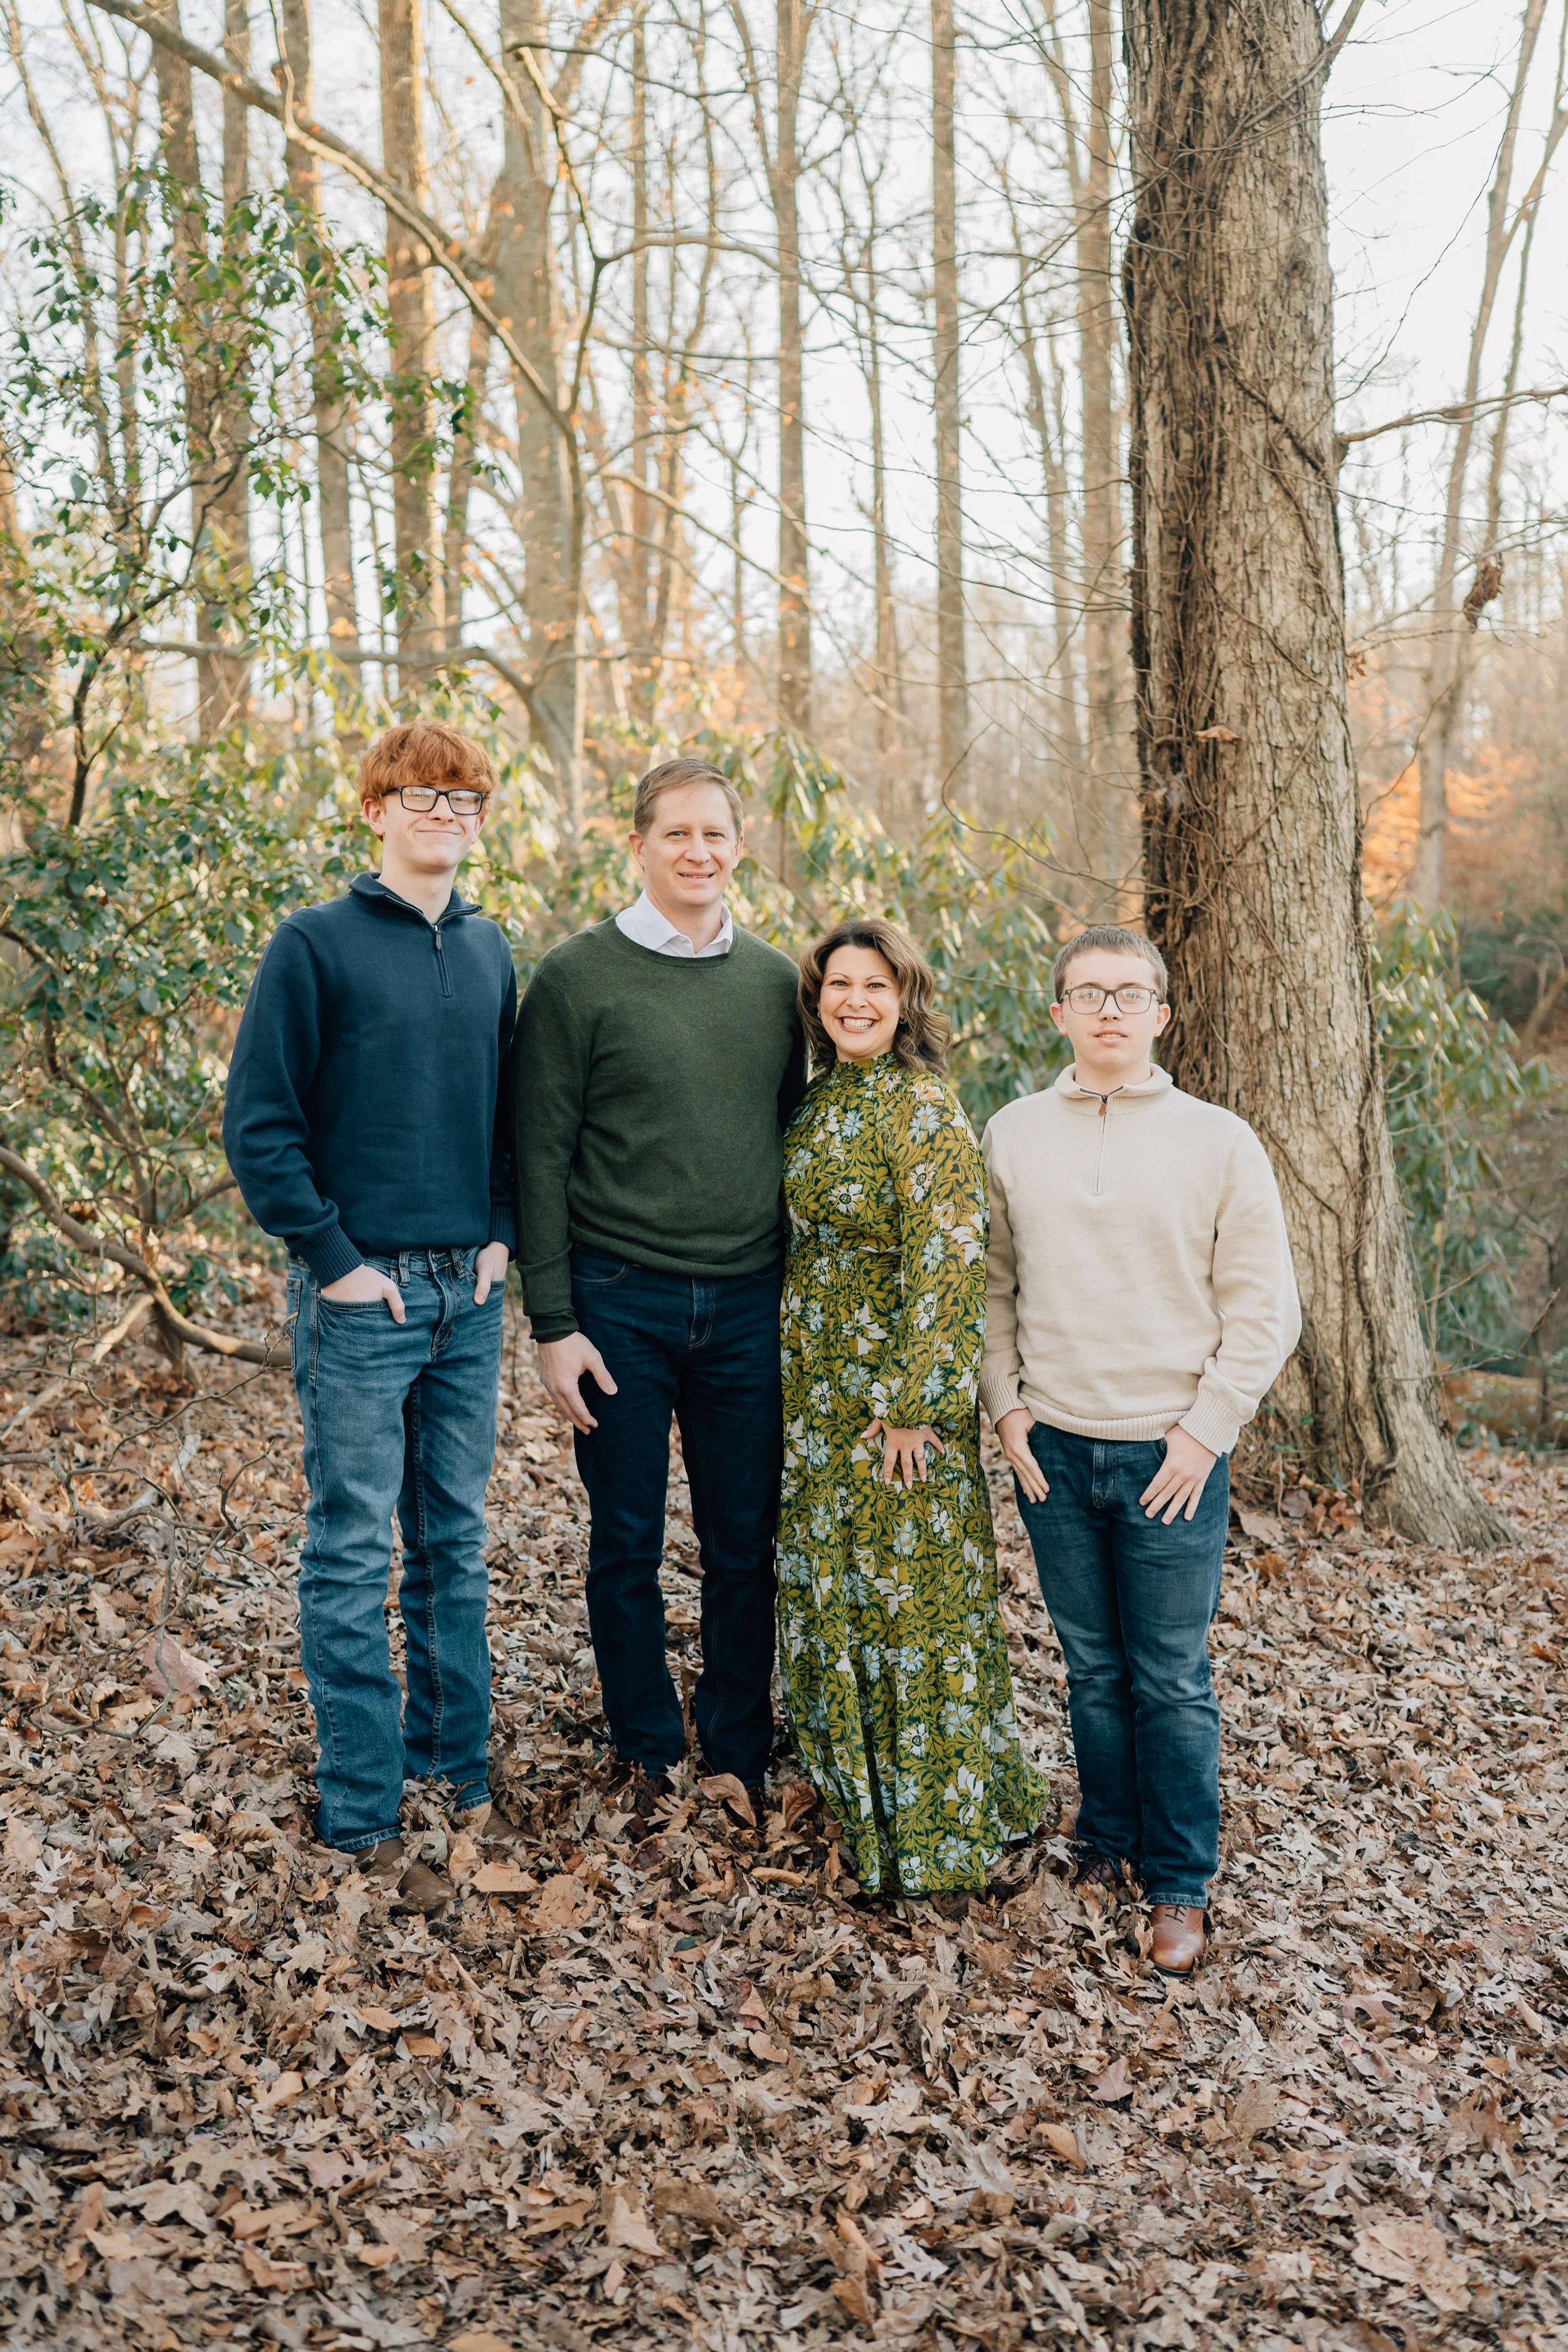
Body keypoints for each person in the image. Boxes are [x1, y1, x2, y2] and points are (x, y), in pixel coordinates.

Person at [223, 721, 517, 1910]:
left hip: (471, 1292)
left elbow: (509, 1118)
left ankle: (455, 1765)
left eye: (465, 797)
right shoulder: (316, 945)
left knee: (451, 1538)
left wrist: (500, 1231)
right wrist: (336, 1260)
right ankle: (359, 1800)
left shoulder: (495, 949)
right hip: (365, 1294)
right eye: (422, 794)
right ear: (378, 809)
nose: (444, 811)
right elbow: (260, 1125)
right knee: (352, 1543)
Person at [982, 924, 1300, 1974]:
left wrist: (1206, 1433)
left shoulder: (1220, 1140)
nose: (1109, 1008)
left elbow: (1266, 1310)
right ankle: (1106, 1836)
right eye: (1088, 991)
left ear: (1161, 1014)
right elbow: (990, 1289)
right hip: (1054, 1450)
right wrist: (1007, 1412)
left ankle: (1177, 1881)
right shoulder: (1014, 1133)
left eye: (1129, 993)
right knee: (1089, 1665)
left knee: (1168, 1673)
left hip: (1171, 1453)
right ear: (1060, 1012)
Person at [513, 758, 805, 1816]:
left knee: (742, 1540)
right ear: (636, 845)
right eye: (674, 833)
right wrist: (554, 1321)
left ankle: (735, 1743)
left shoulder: (778, 982)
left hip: (744, 1307)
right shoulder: (575, 978)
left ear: (739, 846)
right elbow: (536, 1157)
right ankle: (644, 1741)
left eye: (714, 834)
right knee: (625, 1537)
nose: (696, 851)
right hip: (617, 1302)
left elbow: (785, 1129)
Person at [776, 918, 1049, 1897]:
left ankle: (932, 1818)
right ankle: (854, 1785)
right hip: (815, 1391)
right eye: (837, 984)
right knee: (841, 1585)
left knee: (912, 1599)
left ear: (906, 999)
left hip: (890, 1395)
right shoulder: (820, 1103)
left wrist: (911, 1405)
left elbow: (946, 1259)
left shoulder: (921, 1108)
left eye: (874, 985)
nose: (854, 999)